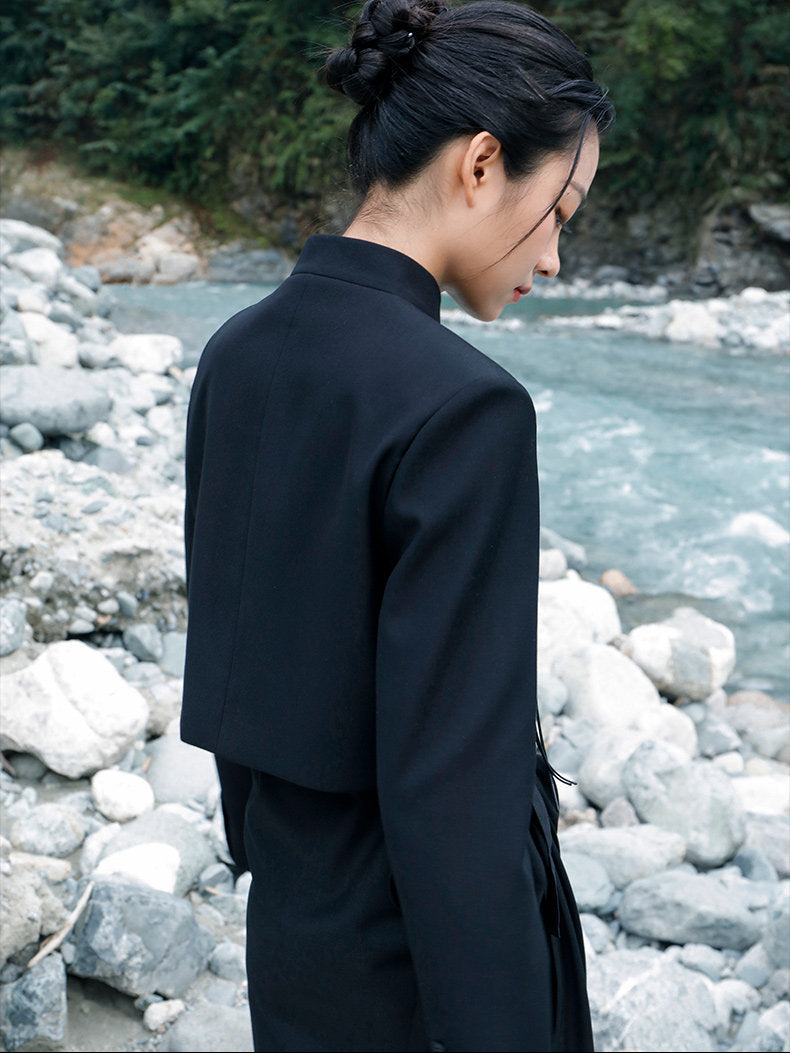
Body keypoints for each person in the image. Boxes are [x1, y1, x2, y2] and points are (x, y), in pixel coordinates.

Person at [180, 2, 613, 1050]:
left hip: (295, 925)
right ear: (478, 166)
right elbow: (451, 794)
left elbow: (236, 659)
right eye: (560, 210)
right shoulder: (466, 407)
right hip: (423, 971)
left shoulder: (237, 350)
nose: (553, 258)